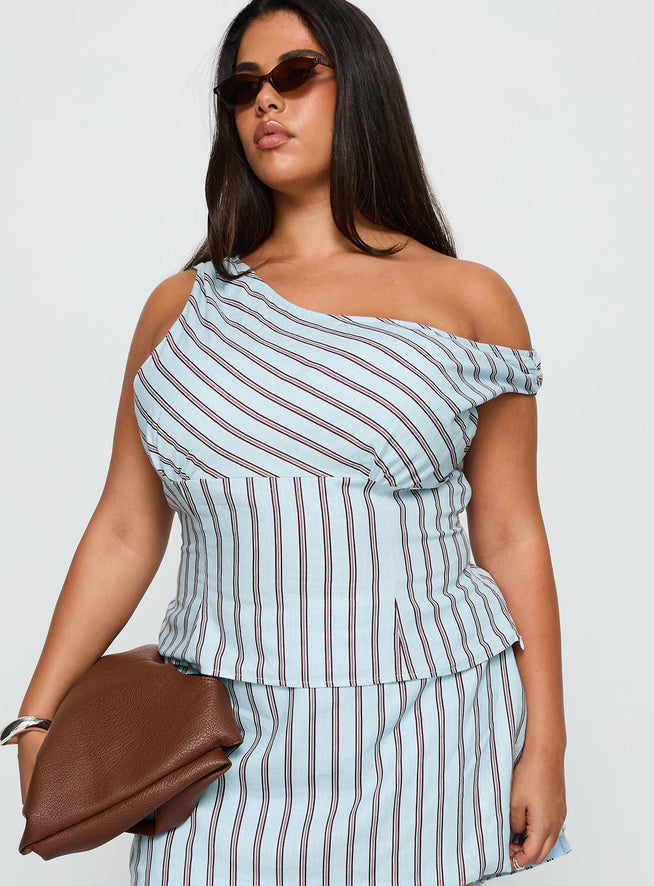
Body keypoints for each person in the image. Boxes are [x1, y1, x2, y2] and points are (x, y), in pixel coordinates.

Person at [10, 1, 572, 883]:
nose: (265, 102)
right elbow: (124, 528)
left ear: (363, 88)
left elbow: (509, 534)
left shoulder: (468, 299)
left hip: (421, 729)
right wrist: (36, 715)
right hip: (213, 739)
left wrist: (546, 746)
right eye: (243, 88)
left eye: (295, 75)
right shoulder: (181, 310)